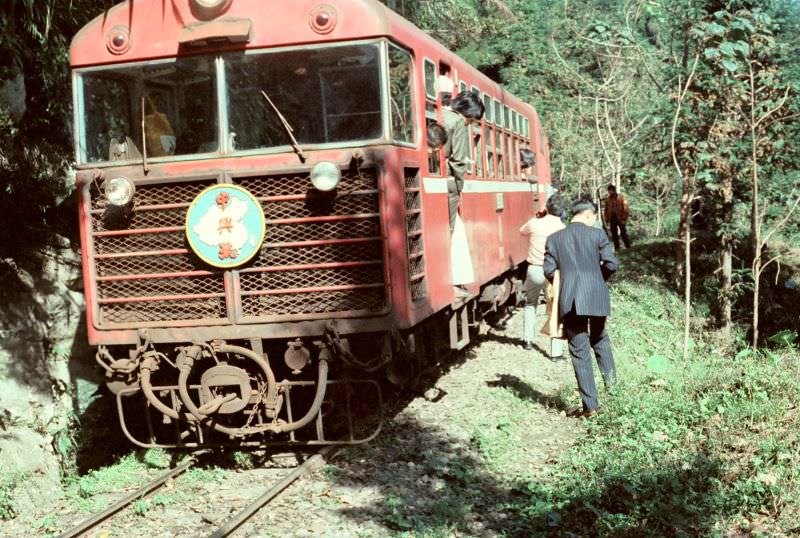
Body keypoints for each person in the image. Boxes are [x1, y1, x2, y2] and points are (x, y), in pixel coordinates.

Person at [543, 194, 618, 417]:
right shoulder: (597, 235)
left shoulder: (555, 238)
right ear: (588, 214)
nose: (595, 221)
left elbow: (547, 270)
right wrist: (597, 278)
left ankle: (591, 406)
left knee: (579, 350)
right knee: (600, 340)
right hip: (596, 295)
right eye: (594, 217)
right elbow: (612, 264)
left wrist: (565, 281)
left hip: (571, 299)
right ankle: (613, 391)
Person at [519, 194, 566, 357]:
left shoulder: (534, 223)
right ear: (561, 211)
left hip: (534, 269)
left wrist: (538, 216)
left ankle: (527, 340)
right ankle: (555, 352)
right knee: (555, 309)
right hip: (553, 272)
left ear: (547, 207)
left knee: (530, 304)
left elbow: (522, 231)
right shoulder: (562, 228)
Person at [442, 90, 484, 233]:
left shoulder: (439, 113)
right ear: (467, 113)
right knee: (448, 229)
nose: (468, 124)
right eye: (471, 120)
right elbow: (458, 160)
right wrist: (459, 186)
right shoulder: (458, 121)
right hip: (447, 180)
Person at [604, 184, 631, 249]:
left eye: (611, 191)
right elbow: (606, 210)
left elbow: (626, 208)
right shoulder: (607, 200)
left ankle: (628, 247)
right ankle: (617, 248)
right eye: (609, 191)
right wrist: (606, 219)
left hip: (621, 218)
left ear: (614, 190)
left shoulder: (621, 198)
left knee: (623, 233)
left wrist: (624, 218)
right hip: (612, 218)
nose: (610, 192)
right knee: (614, 234)